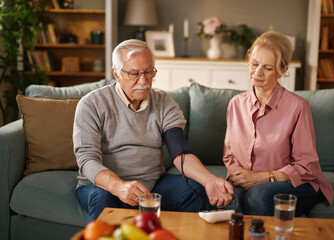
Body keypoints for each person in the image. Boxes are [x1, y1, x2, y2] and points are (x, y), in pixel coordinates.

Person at [74, 39, 234, 222]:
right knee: (104, 198)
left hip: (152, 186)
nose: (143, 81)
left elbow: (180, 154)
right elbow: (87, 159)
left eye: (149, 72)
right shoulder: (91, 104)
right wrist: (119, 187)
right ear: (116, 73)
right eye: (134, 73)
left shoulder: (164, 102)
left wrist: (209, 181)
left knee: (197, 190)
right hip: (103, 187)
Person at [223, 31, 334, 216]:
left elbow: (306, 166)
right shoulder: (235, 104)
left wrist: (260, 178)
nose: (257, 72)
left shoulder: (298, 107)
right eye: (254, 64)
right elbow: (229, 155)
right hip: (249, 181)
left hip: (295, 183)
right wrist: (238, 177)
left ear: (282, 70)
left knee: (257, 196)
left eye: (267, 68)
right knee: (227, 198)